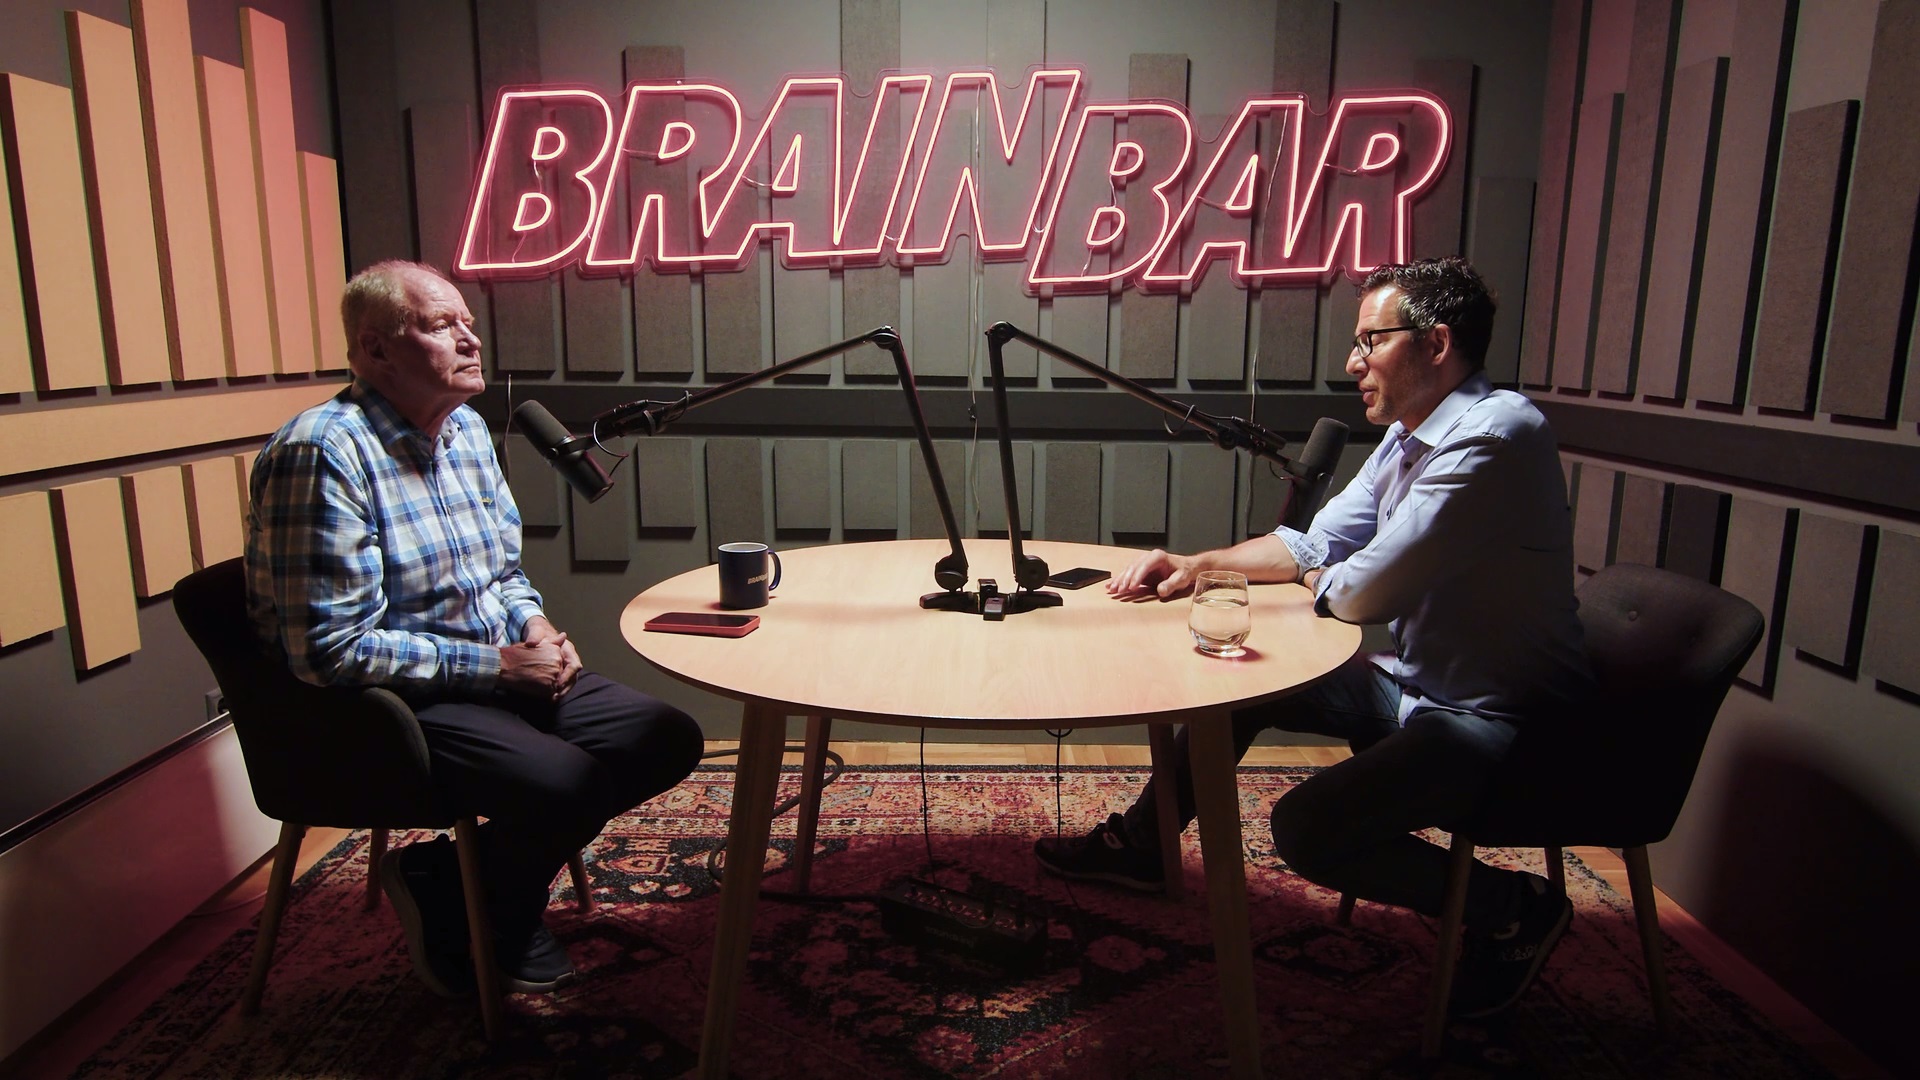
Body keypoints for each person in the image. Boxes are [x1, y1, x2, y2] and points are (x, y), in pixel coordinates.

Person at [1034, 256, 1593, 1018]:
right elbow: (1311, 544)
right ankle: (1145, 845)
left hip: (1499, 720)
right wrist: (1197, 564)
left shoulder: (1494, 436)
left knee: (1305, 828)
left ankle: (1515, 908)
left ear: (1436, 343)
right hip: (1419, 685)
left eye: (1371, 340)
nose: (1352, 362)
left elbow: (1360, 593)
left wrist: (1324, 574)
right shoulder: (1409, 436)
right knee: (1236, 679)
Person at [245, 260, 704, 997]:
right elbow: (328, 651)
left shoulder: (463, 431)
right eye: (441, 325)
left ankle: (448, 878)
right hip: (393, 703)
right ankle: (496, 910)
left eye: (467, 322)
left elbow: (502, 573)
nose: (471, 339)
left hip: (496, 669)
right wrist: (498, 669)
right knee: (568, 782)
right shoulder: (322, 453)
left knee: (665, 737)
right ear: (375, 349)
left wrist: (537, 628)